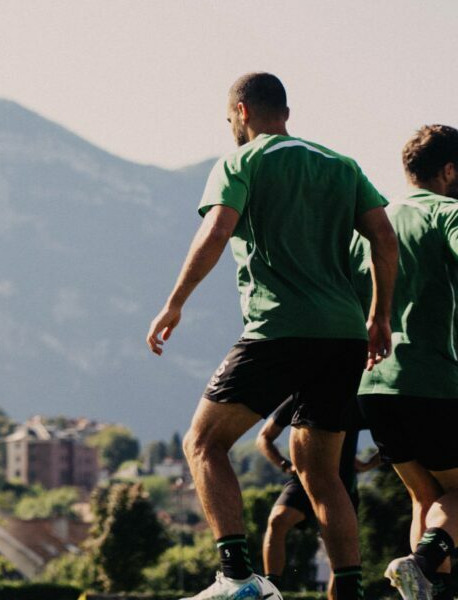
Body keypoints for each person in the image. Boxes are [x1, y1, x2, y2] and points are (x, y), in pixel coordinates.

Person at [146, 72, 399, 600]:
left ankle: (237, 579)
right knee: (321, 474)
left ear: (241, 111)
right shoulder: (341, 164)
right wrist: (378, 317)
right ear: (284, 109)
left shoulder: (241, 161)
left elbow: (216, 230)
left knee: (204, 442)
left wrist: (174, 303)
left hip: (281, 328)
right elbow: (383, 237)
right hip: (345, 335)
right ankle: (348, 592)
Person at [352, 125, 458, 600]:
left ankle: (424, 590)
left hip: (374, 384)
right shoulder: (448, 213)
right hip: (433, 379)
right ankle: (421, 563)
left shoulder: (374, 223)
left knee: (426, 497)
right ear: (449, 171)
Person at [257, 396, 377, 590]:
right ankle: (271, 588)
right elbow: (264, 437)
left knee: (341, 551)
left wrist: (370, 463)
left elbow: (397, 433)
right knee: (277, 520)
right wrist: (285, 464)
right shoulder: (301, 394)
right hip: (304, 479)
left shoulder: (357, 399)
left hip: (342, 484)